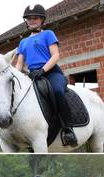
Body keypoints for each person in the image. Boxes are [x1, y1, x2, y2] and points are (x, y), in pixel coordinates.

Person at [15, 4, 77, 147]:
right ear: (26, 21)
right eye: (29, 19)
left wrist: (42, 70)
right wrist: (16, 76)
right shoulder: (23, 42)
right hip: (32, 75)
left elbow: (55, 56)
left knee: (56, 91)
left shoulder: (48, 34)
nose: (32, 21)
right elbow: (19, 64)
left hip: (51, 72)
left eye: (35, 18)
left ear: (42, 20)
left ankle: (68, 129)